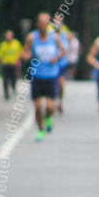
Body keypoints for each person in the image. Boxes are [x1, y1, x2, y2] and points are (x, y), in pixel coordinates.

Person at [21, 13, 67, 142]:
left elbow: (63, 52)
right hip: (37, 76)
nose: (44, 25)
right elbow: (24, 52)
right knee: (37, 106)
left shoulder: (55, 38)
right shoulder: (31, 37)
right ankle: (40, 130)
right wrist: (26, 55)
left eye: (46, 22)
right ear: (37, 24)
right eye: (41, 22)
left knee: (50, 107)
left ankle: (48, 118)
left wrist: (56, 58)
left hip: (51, 76)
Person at [0, 30, 22, 100]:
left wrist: (16, 61)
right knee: (5, 79)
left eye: (9, 35)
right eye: (7, 36)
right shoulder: (3, 45)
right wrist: (2, 61)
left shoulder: (16, 43)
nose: (8, 37)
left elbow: (20, 53)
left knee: (13, 78)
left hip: (13, 64)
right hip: (6, 65)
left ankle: (13, 87)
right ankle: (6, 93)